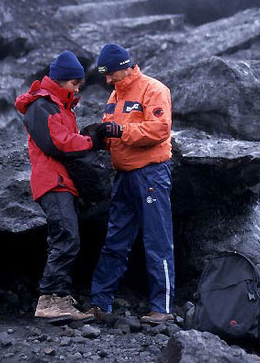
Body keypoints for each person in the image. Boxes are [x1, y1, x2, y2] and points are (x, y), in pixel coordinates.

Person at [85, 43, 175, 324]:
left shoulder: (154, 89)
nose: (107, 80)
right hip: (123, 176)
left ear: (124, 66)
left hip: (151, 174)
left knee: (156, 240)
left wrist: (121, 130)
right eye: (105, 75)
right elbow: (115, 131)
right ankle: (100, 303)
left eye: (110, 73)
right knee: (115, 240)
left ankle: (162, 308)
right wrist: (99, 137)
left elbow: (160, 129)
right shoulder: (114, 96)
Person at [14, 50, 101, 322]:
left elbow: (64, 138)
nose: (77, 89)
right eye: (74, 83)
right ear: (62, 80)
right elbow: (57, 142)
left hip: (61, 182)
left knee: (65, 238)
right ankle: (50, 300)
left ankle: (58, 299)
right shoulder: (42, 106)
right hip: (52, 182)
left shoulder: (60, 107)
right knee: (66, 238)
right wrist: (92, 141)